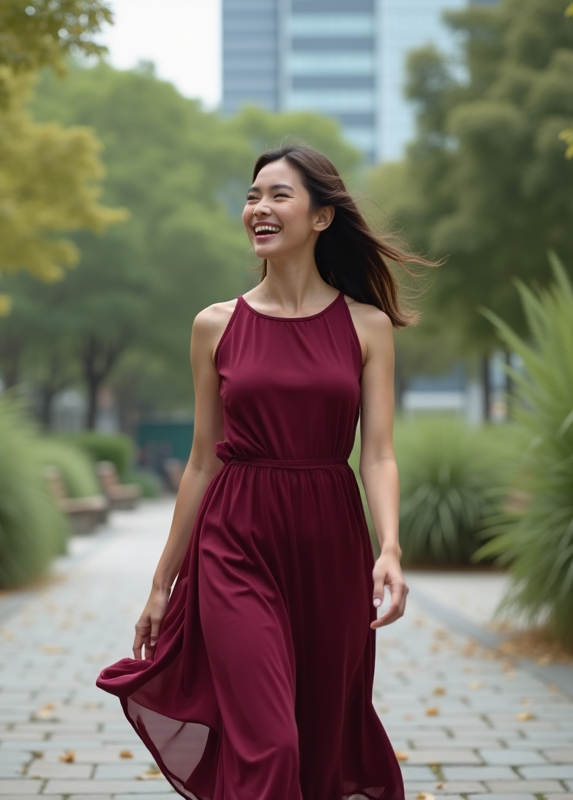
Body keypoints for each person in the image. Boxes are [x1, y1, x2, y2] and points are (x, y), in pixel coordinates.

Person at [97, 144, 437, 799]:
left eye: (279, 195)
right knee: (269, 740)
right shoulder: (214, 326)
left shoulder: (367, 326)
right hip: (235, 539)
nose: (259, 207)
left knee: (319, 739)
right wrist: (162, 583)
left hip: (332, 544)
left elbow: (378, 454)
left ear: (321, 217)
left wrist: (390, 548)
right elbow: (202, 461)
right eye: (253, 196)